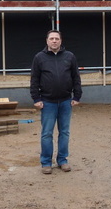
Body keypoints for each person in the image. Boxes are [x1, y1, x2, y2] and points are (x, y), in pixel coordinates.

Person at [30, 30, 82, 175]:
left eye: (57, 39)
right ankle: (46, 162)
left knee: (64, 132)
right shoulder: (39, 58)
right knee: (47, 133)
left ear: (61, 41)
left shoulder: (69, 57)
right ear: (47, 41)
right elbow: (34, 79)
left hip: (66, 101)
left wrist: (77, 96)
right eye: (51, 38)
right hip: (47, 103)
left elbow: (76, 77)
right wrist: (36, 98)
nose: (54, 41)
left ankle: (62, 160)